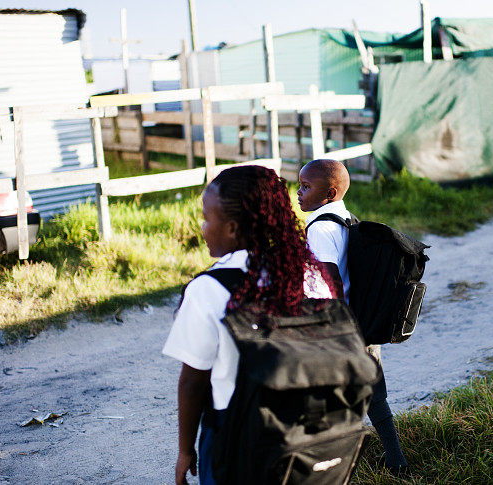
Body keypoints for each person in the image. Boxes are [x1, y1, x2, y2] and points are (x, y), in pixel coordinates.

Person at [163, 165, 335, 485]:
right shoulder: (311, 274)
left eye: (206, 217)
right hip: (311, 430)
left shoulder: (210, 289)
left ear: (230, 228)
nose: (202, 227)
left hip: (239, 437)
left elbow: (192, 383)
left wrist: (185, 451)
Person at [297, 158, 409, 474]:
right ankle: (396, 461)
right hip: (363, 321)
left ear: (330, 192)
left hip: (337, 325)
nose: (299, 193)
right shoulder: (346, 217)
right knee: (375, 397)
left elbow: (328, 281)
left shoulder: (319, 228)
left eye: (306, 187)